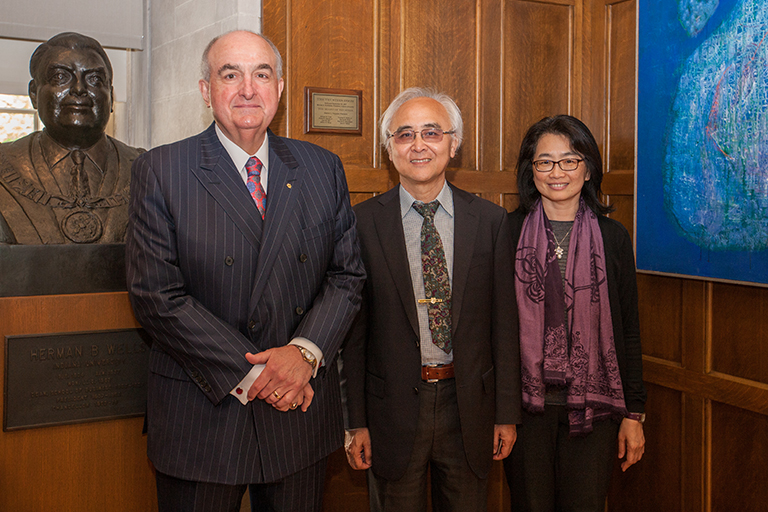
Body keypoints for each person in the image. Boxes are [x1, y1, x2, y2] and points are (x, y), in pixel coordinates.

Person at [125, 30, 364, 512]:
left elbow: (347, 277)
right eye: (230, 74)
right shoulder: (162, 170)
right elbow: (157, 295)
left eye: (261, 74)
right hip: (203, 411)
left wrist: (303, 355)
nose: (247, 89)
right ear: (205, 89)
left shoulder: (322, 168)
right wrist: (257, 374)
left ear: (279, 86)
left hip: (297, 410)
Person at [341, 87, 521, 512]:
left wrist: (506, 412)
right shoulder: (360, 223)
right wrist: (355, 422)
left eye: (431, 133)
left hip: (471, 410)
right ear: (389, 149)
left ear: (453, 144)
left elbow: (505, 325)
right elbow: (352, 332)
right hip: (392, 414)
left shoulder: (491, 221)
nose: (418, 145)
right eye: (404, 135)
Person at [503, 115, 646, 512]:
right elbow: (493, 329)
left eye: (569, 160)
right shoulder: (506, 232)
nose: (557, 172)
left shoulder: (613, 237)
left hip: (595, 412)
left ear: (588, 169)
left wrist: (634, 414)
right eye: (544, 162)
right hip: (524, 410)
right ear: (530, 171)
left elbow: (629, 331)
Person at [0, 32, 143, 244]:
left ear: (111, 97)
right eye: (60, 77)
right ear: (33, 94)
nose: (79, 89)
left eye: (95, 79)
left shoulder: (147, 169)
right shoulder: (5, 164)